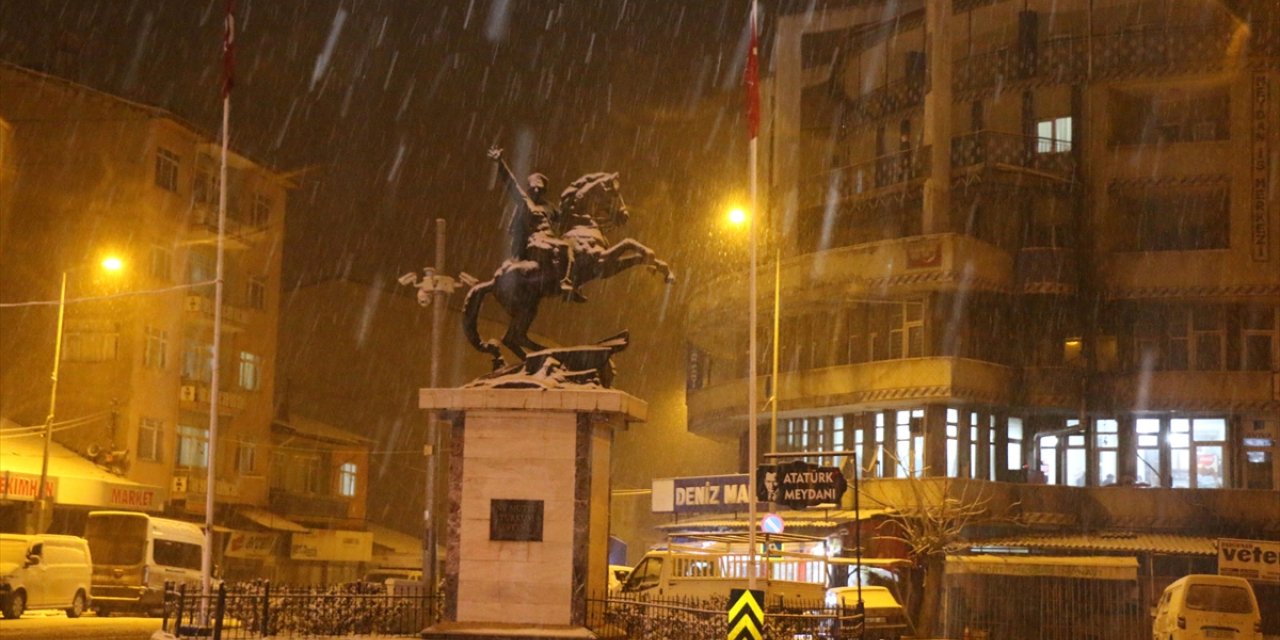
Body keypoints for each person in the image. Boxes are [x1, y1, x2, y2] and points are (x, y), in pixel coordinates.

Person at [488, 147, 581, 301]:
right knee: (565, 247)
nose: (537, 191)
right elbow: (512, 184)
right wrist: (500, 163)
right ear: (530, 189)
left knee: (573, 248)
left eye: (540, 188)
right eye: (534, 188)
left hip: (551, 240)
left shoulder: (549, 207)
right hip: (536, 242)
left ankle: (570, 281)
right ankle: (566, 283)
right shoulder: (526, 204)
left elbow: (565, 218)